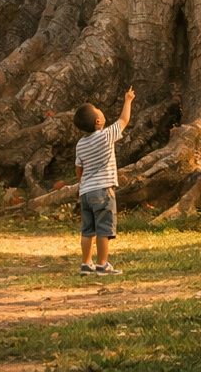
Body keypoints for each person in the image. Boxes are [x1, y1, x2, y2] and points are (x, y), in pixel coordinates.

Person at [74, 86, 134, 276]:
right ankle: (102, 264)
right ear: (98, 121)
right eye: (98, 109)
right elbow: (124, 120)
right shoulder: (106, 136)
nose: (101, 110)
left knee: (87, 230)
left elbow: (79, 169)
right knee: (103, 230)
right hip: (103, 191)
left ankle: (86, 263)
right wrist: (128, 100)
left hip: (86, 192)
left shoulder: (80, 144)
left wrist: (83, 184)